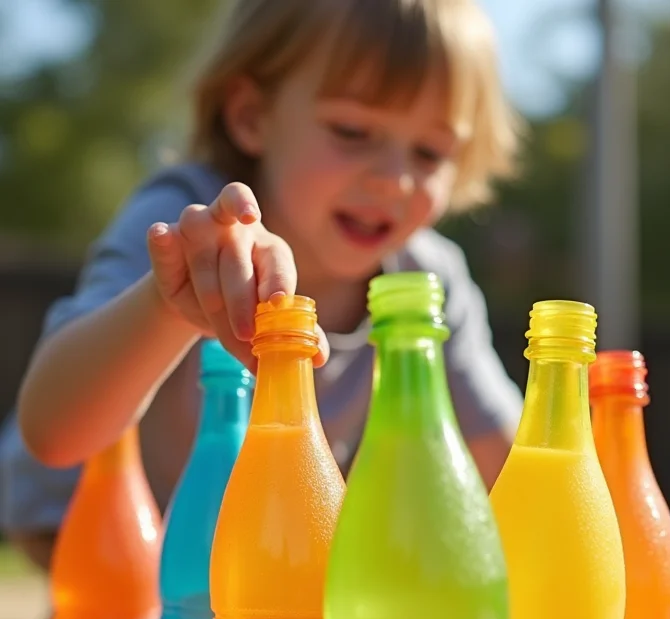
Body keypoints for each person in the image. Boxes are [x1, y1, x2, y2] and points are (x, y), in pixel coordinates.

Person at [0, 0, 524, 574]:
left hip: (260, 575)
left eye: (429, 152)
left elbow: (511, 471)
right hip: (107, 560)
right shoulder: (186, 221)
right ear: (251, 115)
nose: (394, 179)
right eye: (352, 131)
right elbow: (53, 434)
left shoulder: (427, 283)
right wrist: (171, 300)